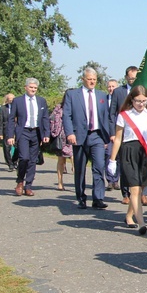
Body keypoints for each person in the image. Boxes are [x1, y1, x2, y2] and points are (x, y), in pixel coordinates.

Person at [108, 85, 147, 235]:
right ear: (132, 99)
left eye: (143, 101)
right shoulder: (124, 115)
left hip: (145, 152)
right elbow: (118, 139)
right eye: (137, 101)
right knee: (134, 188)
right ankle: (141, 222)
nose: (140, 104)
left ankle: (130, 215)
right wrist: (112, 160)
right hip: (129, 151)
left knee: (140, 188)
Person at [63, 67, 113, 209]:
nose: (92, 82)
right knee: (80, 168)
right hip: (79, 136)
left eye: (94, 79)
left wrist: (107, 137)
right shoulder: (72, 95)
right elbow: (66, 115)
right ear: (83, 79)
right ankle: (81, 198)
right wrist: (69, 133)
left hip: (97, 136)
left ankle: (98, 198)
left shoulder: (102, 95)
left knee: (99, 167)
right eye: (89, 79)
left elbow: (106, 117)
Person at [110, 66, 147, 205]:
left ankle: (143, 194)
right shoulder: (118, 92)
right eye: (131, 78)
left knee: (144, 166)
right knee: (126, 166)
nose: (133, 80)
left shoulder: (143, 92)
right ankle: (126, 194)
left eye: (135, 78)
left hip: (142, 137)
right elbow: (112, 114)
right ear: (126, 77)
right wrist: (113, 133)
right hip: (124, 133)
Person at [6, 78, 50, 196]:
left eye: (35, 88)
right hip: (23, 132)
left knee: (32, 161)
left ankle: (28, 185)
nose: (33, 90)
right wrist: (10, 135)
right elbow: (11, 119)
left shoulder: (41, 101)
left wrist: (46, 134)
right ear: (25, 87)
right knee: (24, 157)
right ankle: (20, 181)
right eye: (31, 87)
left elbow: (45, 118)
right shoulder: (18, 101)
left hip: (36, 133)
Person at [50, 92, 74, 191]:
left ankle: (78, 184)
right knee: (61, 160)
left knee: (75, 160)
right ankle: (60, 183)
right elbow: (51, 121)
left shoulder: (78, 106)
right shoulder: (59, 108)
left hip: (74, 136)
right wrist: (54, 132)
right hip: (61, 136)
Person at [105, 79, 120, 192]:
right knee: (110, 155)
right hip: (108, 133)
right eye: (109, 86)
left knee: (119, 157)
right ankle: (110, 180)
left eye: (113, 86)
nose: (111, 88)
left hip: (119, 131)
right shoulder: (103, 100)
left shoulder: (120, 99)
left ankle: (116, 180)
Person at [0, 93, 16, 171]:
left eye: (12, 99)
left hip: (16, 129)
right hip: (6, 129)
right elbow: (0, 121)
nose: (11, 100)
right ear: (7, 100)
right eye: (9, 99)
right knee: (6, 147)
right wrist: (0, 133)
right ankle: (10, 164)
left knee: (18, 147)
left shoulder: (18, 107)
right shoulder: (3, 108)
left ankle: (15, 162)